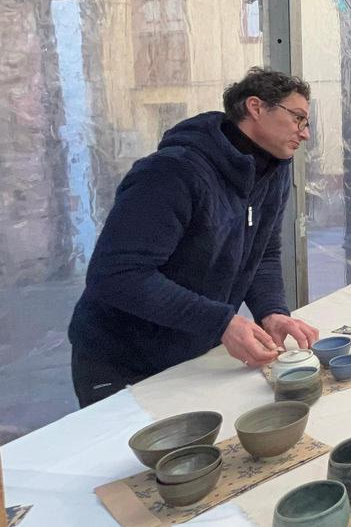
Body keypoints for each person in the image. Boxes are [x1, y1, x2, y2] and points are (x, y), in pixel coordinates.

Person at [68, 67, 319, 407]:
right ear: (256, 108)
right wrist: (220, 322)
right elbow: (117, 275)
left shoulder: (272, 169)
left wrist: (271, 310)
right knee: (138, 458)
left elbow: (263, 252)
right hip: (122, 359)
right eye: (298, 119)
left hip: (192, 351)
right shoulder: (172, 172)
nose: (305, 134)